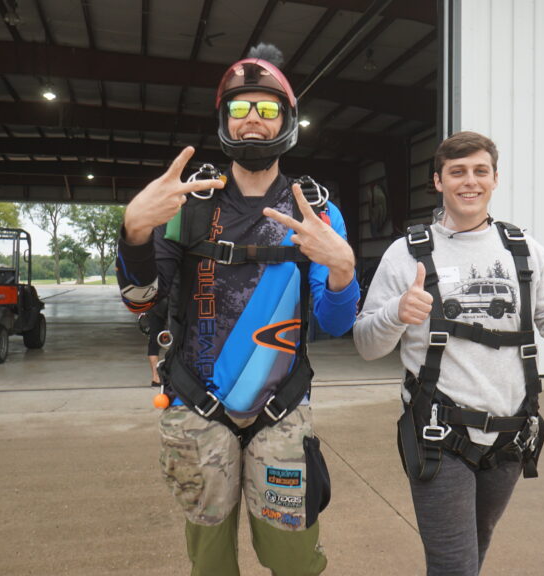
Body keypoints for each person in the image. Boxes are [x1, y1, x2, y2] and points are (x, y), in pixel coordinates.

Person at [116, 44, 359, 575]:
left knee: (293, 559)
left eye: (267, 109)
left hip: (283, 411)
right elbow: (143, 298)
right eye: (240, 108)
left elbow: (337, 323)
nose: (253, 120)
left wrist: (342, 271)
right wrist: (134, 232)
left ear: (288, 121)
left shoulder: (315, 210)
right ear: (224, 119)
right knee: (211, 562)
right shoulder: (191, 203)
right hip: (195, 410)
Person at [353, 131, 544, 576]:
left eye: (480, 171)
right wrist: (396, 314)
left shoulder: (525, 249)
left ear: (495, 179)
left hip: (510, 436)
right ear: (438, 181)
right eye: (457, 172)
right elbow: (367, 345)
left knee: (475, 549)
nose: (470, 181)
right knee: (454, 565)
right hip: (439, 437)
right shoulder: (406, 254)